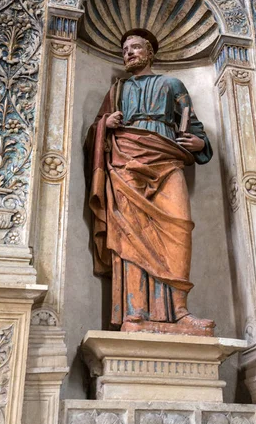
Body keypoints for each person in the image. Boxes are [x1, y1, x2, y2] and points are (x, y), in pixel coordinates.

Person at [85, 29, 214, 335]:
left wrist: (199, 143)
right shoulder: (116, 91)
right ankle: (136, 311)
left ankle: (180, 311)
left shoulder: (171, 84)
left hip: (167, 160)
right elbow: (93, 135)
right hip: (126, 162)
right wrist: (106, 123)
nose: (128, 53)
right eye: (125, 49)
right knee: (131, 235)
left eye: (135, 47)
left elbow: (193, 126)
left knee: (179, 228)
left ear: (150, 52)